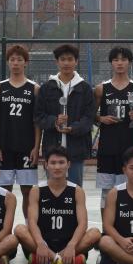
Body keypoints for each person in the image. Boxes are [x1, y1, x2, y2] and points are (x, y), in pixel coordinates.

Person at [15, 146, 101, 264]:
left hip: (69, 244)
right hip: (42, 243)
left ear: (68, 165)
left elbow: (83, 224)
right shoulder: (36, 190)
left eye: (61, 162)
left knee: (95, 233)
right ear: (46, 165)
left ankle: (48, 260)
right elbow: (32, 222)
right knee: (19, 229)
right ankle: (64, 261)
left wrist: (71, 245)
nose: (57, 167)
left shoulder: (77, 191)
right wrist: (40, 244)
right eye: (53, 163)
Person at [34, 44, 95, 187]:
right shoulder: (46, 88)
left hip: (76, 149)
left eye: (70, 59)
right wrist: (55, 121)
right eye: (62, 59)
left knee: (75, 188)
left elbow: (89, 118)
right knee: (52, 189)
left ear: (76, 61)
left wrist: (73, 128)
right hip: (52, 148)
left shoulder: (85, 88)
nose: (66, 63)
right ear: (57, 62)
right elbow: (39, 116)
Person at [0, 44, 40, 217]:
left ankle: (28, 227)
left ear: (26, 62)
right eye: (12, 59)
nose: (16, 63)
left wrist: (36, 147)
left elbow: (37, 122)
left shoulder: (34, 88)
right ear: (8, 62)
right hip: (4, 146)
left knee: (28, 191)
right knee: (4, 191)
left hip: (26, 147)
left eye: (19, 59)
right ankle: (4, 228)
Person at [95, 46, 133, 209]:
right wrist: (101, 118)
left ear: (130, 62)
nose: (120, 63)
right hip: (107, 148)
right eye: (116, 60)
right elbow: (91, 116)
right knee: (106, 193)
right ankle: (106, 225)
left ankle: (124, 223)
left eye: (123, 59)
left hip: (128, 148)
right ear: (111, 63)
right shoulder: (101, 88)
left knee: (127, 191)